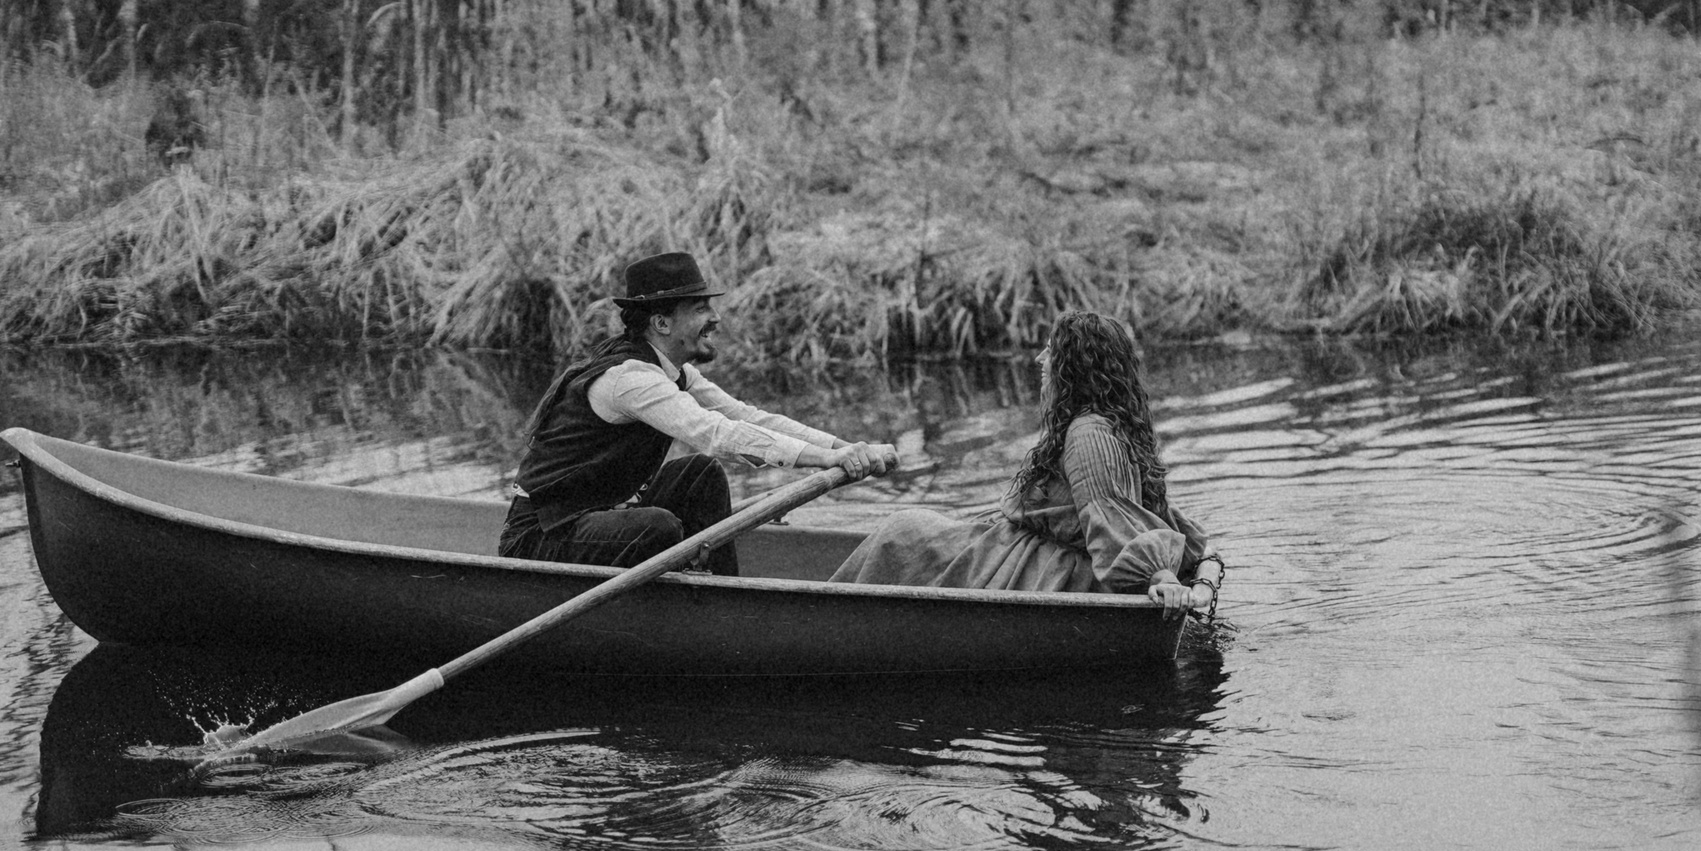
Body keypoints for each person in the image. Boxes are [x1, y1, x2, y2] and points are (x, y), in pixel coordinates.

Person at [500, 251, 896, 572]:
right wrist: (826, 460)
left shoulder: (674, 372)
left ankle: (722, 594)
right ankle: (696, 608)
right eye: (700, 309)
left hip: (597, 515)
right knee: (657, 527)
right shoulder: (632, 381)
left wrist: (845, 447)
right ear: (662, 322)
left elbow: (746, 417)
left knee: (700, 474)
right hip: (540, 536)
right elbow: (717, 433)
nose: (716, 318)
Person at [827, 311, 1215, 604]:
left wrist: (1159, 574)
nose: (1040, 360)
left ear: (1075, 369)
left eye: (1051, 351)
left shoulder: (1089, 433)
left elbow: (1110, 512)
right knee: (907, 530)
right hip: (1020, 551)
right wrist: (1193, 552)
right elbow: (1135, 509)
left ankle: (829, 619)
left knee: (901, 533)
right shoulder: (1108, 424)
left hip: (1040, 571)